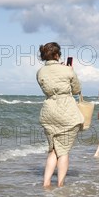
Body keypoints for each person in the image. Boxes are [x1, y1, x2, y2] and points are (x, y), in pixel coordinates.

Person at [36, 42, 83, 187]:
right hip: (66, 112)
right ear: (57, 55)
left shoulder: (40, 72)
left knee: (54, 150)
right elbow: (76, 90)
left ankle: (46, 183)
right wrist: (69, 70)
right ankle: (60, 184)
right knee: (63, 151)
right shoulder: (67, 70)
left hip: (48, 111)